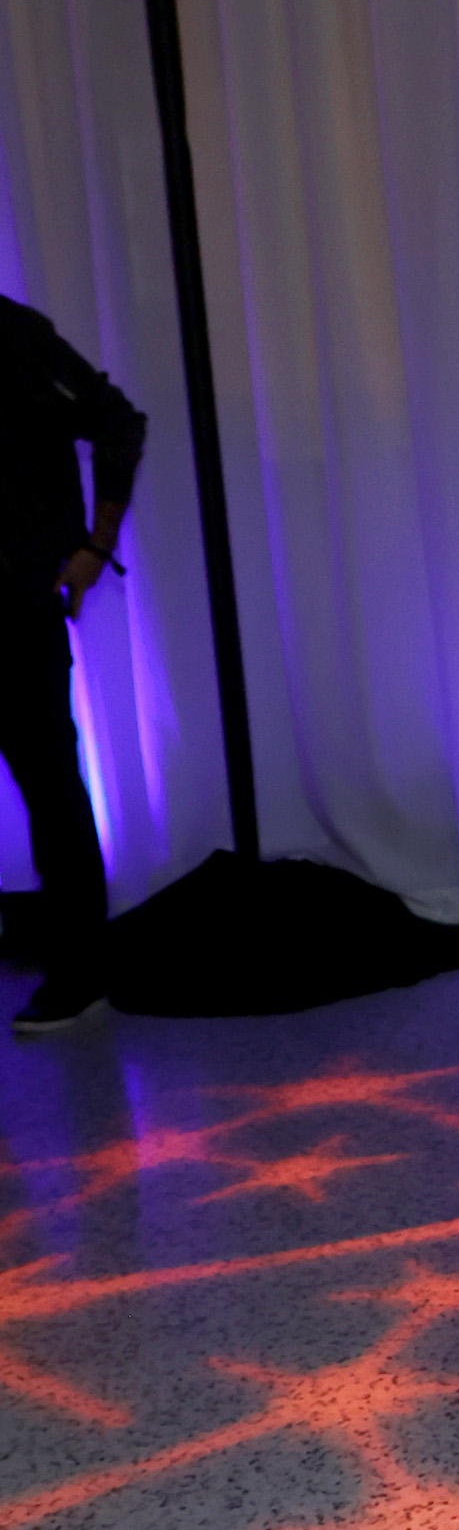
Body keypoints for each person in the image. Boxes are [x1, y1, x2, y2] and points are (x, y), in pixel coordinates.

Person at [0, 296, 142, 1032]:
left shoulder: (13, 337)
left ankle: (82, 974)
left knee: (51, 786)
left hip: (14, 604)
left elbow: (117, 419)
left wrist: (94, 545)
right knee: (51, 785)